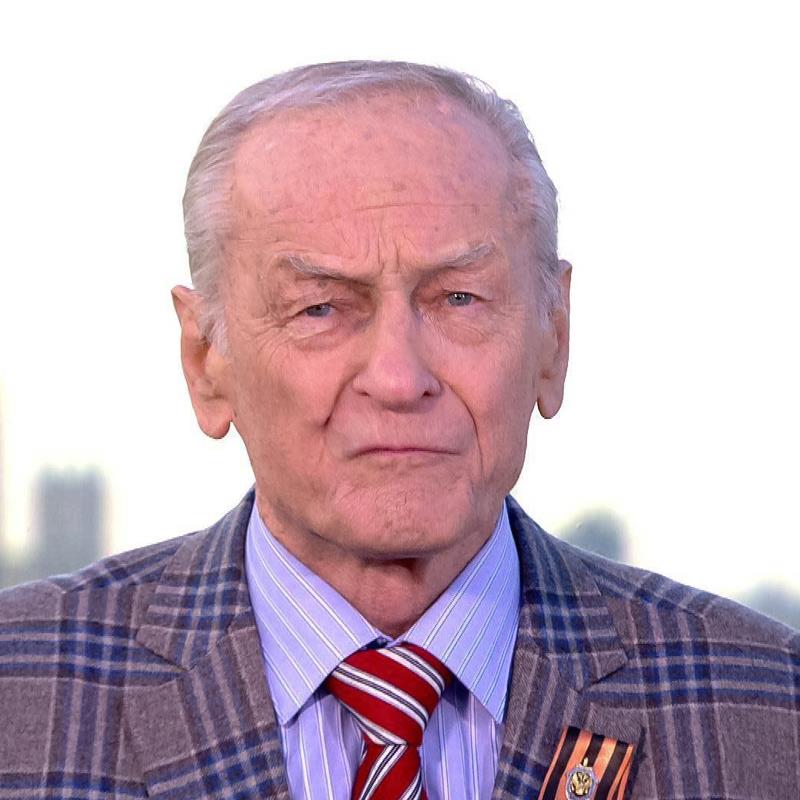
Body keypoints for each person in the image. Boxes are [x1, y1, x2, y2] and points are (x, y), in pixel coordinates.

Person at [0, 61, 796, 800]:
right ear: (206, 359)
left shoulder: (768, 708)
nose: (397, 376)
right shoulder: (20, 690)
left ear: (553, 337)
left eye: (459, 299)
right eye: (320, 307)